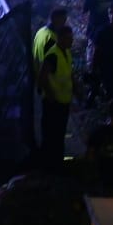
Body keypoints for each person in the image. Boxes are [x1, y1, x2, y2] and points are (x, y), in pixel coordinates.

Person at [36, 24, 77, 169]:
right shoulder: (53, 55)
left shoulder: (66, 52)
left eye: (72, 38)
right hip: (54, 103)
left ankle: (57, 163)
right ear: (60, 39)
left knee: (59, 134)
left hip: (63, 101)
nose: (71, 41)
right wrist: (50, 95)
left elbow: (69, 72)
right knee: (52, 135)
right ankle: (50, 165)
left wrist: (76, 88)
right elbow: (42, 76)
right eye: (69, 39)